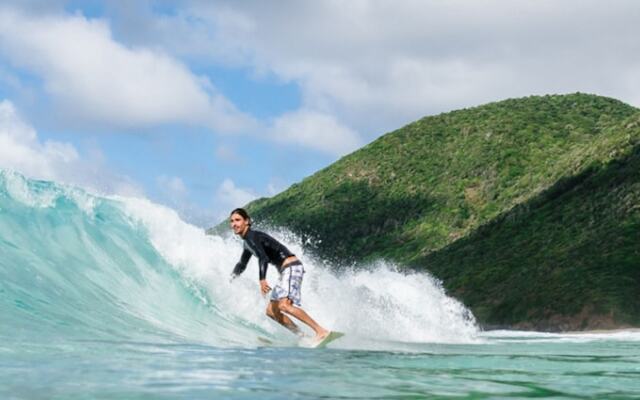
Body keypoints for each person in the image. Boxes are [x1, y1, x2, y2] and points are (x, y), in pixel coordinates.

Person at [229, 208, 330, 343]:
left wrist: (262, 280)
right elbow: (242, 264)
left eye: (237, 220)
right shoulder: (247, 242)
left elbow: (263, 258)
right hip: (285, 272)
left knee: (284, 306)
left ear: (247, 221)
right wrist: (231, 279)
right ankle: (304, 337)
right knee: (271, 311)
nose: (234, 224)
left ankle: (321, 331)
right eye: (231, 221)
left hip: (291, 267)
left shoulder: (252, 236)